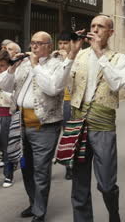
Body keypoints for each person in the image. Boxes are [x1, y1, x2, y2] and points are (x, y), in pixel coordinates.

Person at [0, 31, 77, 222]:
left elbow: (52, 88)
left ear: (49, 46)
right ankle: (34, 203)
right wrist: (11, 67)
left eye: (39, 43)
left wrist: (35, 65)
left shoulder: (57, 65)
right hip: (21, 124)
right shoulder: (23, 63)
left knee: (41, 171)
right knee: (26, 167)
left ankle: (40, 212)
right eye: (32, 42)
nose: (33, 47)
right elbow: (6, 86)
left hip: (45, 127)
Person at [70, 15, 125, 222]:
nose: (94, 30)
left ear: (110, 32)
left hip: (103, 126)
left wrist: (98, 53)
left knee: (106, 183)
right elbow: (61, 85)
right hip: (78, 124)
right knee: (79, 183)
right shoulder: (78, 55)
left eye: (100, 27)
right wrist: (71, 53)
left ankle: (114, 214)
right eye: (92, 25)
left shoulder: (119, 58)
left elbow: (116, 85)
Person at [0, 50, 16, 188]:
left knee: (8, 148)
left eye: (3, 66)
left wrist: (2, 83)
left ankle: (8, 175)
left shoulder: (13, 77)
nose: (0, 68)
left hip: (7, 115)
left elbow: (13, 98)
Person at [54, 31, 73, 180]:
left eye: (65, 43)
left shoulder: (76, 58)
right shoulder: (54, 58)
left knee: (68, 134)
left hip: (68, 100)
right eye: (60, 43)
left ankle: (69, 165)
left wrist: (67, 58)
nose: (62, 46)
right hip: (55, 101)